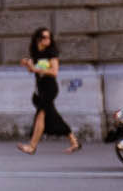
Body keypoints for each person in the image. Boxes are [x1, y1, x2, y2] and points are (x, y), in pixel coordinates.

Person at [19, 25, 80, 154]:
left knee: (41, 115)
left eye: (49, 37)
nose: (48, 40)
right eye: (45, 37)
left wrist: (36, 69)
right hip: (40, 89)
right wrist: (28, 65)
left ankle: (32, 146)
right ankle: (74, 142)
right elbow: (33, 71)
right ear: (38, 39)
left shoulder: (51, 53)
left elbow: (54, 72)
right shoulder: (36, 53)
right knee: (53, 116)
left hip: (50, 89)